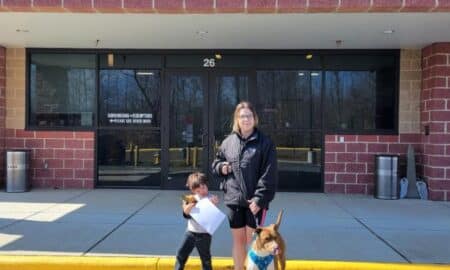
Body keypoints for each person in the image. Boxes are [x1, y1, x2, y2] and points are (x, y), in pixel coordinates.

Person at [212, 101, 278, 270]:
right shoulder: (228, 142)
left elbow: (269, 174)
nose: (245, 119)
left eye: (249, 116)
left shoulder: (265, 143)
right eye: (242, 116)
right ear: (237, 119)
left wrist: (259, 199)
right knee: (238, 241)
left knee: (252, 242)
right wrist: (222, 167)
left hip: (254, 203)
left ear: (254, 118)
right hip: (234, 200)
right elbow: (216, 163)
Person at [175, 172, 219, 270]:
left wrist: (214, 204)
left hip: (204, 235)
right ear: (193, 190)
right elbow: (185, 213)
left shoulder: (210, 198)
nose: (202, 191)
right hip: (190, 232)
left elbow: (212, 214)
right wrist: (190, 205)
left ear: (207, 185)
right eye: (198, 190)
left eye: (203, 188)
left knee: (205, 259)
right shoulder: (190, 198)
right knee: (181, 254)